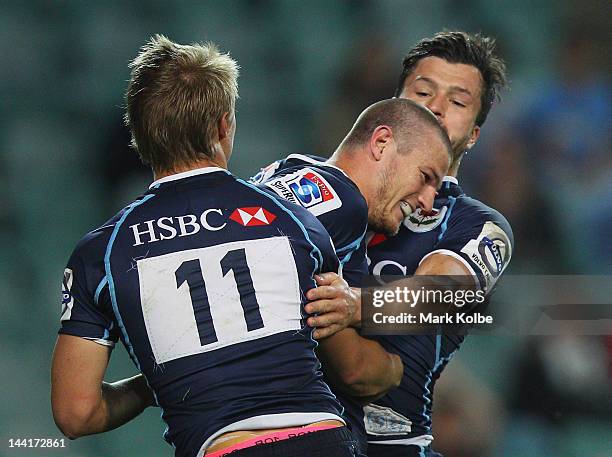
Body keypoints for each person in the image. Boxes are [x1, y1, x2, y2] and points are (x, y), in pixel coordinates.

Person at [50, 35, 373, 457]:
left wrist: (152, 386)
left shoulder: (104, 254)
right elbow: (354, 368)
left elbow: (76, 413)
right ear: (224, 126)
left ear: (139, 133)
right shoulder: (297, 222)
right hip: (326, 440)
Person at [251, 97, 453, 454]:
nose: (427, 202)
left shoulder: (282, 172)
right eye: (425, 178)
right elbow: (356, 372)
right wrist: (394, 369)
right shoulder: (345, 205)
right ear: (381, 143)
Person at [362, 31, 515, 457]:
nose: (435, 107)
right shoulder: (323, 190)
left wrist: (348, 305)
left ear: (474, 136)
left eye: (458, 102)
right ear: (391, 108)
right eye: (422, 91)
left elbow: (433, 299)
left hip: (391, 444)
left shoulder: (479, 226)